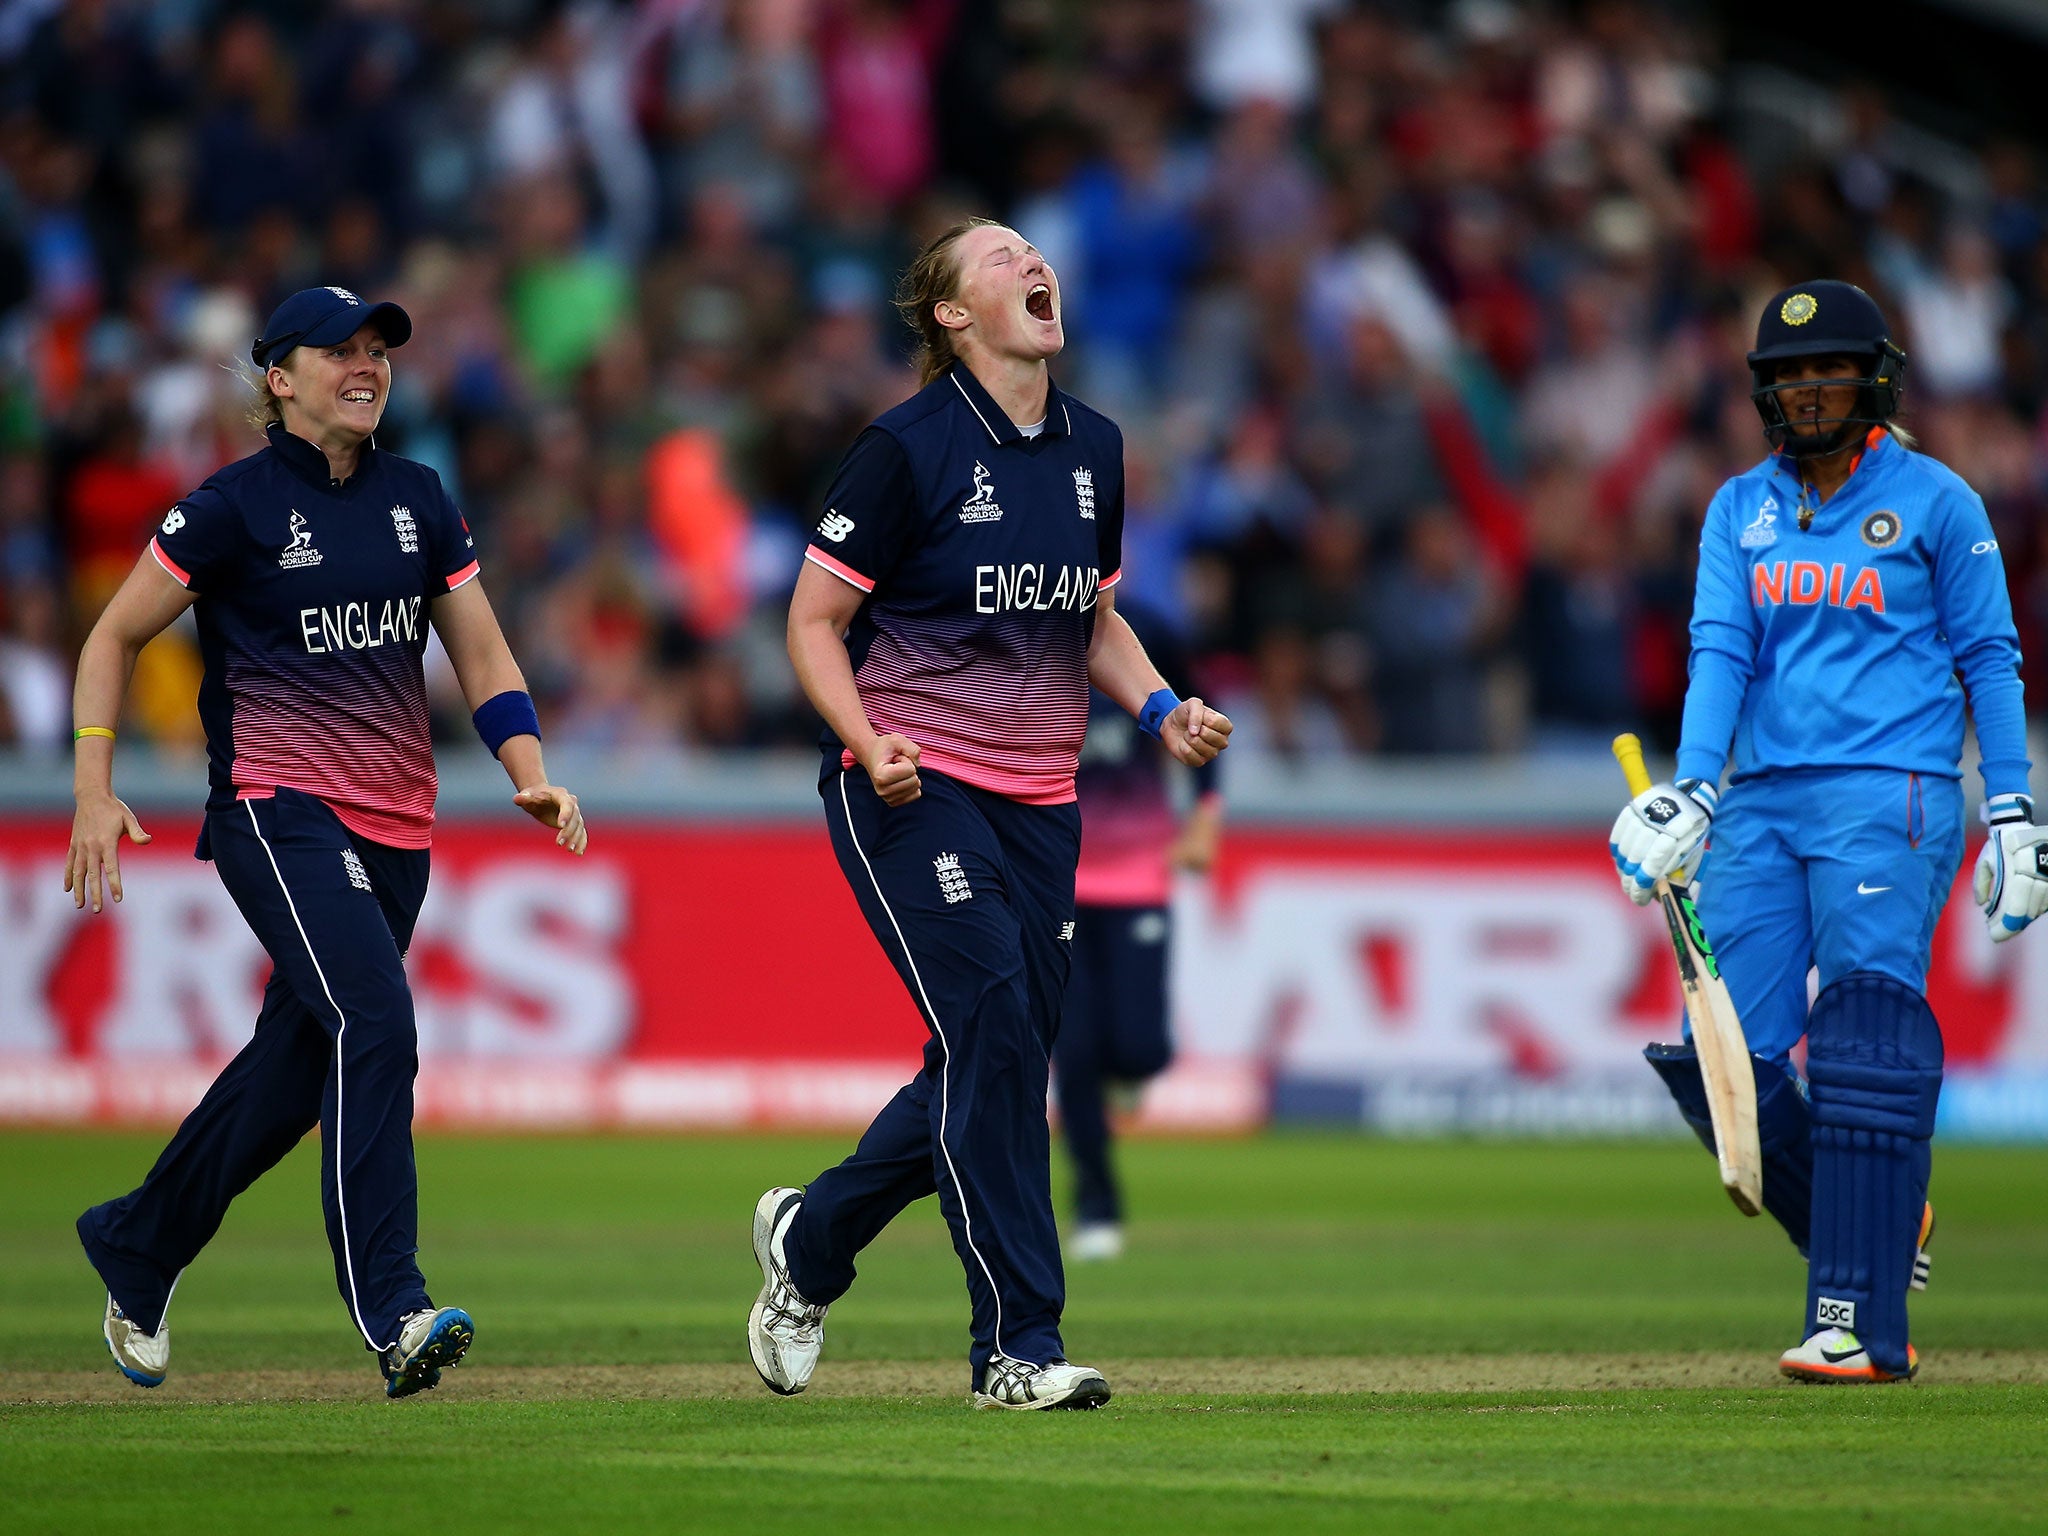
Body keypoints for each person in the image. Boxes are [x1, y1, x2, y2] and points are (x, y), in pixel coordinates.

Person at [68, 286, 587, 1398]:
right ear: (278, 378)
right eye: (337, 351)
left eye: (377, 351)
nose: (365, 367)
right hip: (274, 807)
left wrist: (529, 769)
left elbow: (484, 658)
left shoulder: (418, 499)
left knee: (294, 1072)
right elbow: (112, 634)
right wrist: (93, 788)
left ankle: (138, 1241)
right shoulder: (230, 507)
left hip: (398, 825)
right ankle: (393, 1308)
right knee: (375, 1018)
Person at [754, 218, 1231, 1411]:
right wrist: (867, 743)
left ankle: (810, 1243)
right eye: (1000, 257)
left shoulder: (1097, 449)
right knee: (997, 1032)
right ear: (953, 316)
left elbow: (1095, 618)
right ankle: (1014, 1348)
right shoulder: (902, 449)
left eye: (1035, 254)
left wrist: (1164, 708)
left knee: (996, 1055)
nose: (1033, 265)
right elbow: (811, 623)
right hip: (910, 787)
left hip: (1041, 804)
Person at [1608, 280, 2048, 1384]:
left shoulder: (1937, 502)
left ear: (1873, 380)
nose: (1806, 391)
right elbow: (1719, 653)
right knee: (1717, 1069)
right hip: (1756, 801)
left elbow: (1987, 660)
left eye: (1826, 371)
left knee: (1859, 1047)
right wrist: (1692, 790)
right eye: (1785, 376)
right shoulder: (1736, 510)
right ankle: (1880, 1220)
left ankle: (1854, 1319)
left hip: (1888, 797)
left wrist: (2009, 809)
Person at [1057, 594, 1223, 1261]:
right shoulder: (1017, 631)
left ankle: (1129, 1070)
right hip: (1054, 883)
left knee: (1139, 1050)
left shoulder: (1148, 629)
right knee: (1073, 1056)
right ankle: (1097, 1206)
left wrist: (1206, 815)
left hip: (1136, 875)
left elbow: (1202, 719)